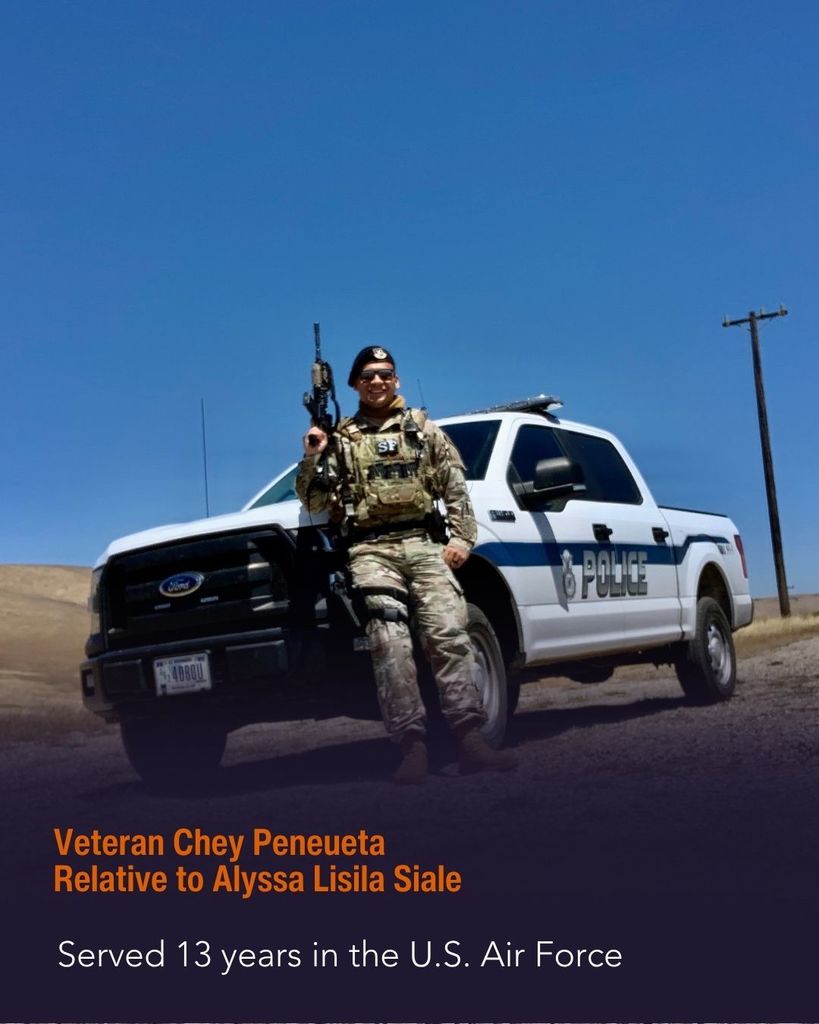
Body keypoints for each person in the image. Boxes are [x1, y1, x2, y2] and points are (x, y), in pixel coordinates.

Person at [295, 344, 516, 784]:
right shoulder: (339, 439)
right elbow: (316, 499)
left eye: (386, 374)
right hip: (371, 551)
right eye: (368, 375)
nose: (377, 381)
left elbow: (455, 488)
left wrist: (462, 541)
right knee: (390, 644)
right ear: (355, 384)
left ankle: (471, 740)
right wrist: (313, 454)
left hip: (424, 544)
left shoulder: (423, 430)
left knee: (449, 634)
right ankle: (412, 747)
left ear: (395, 380)